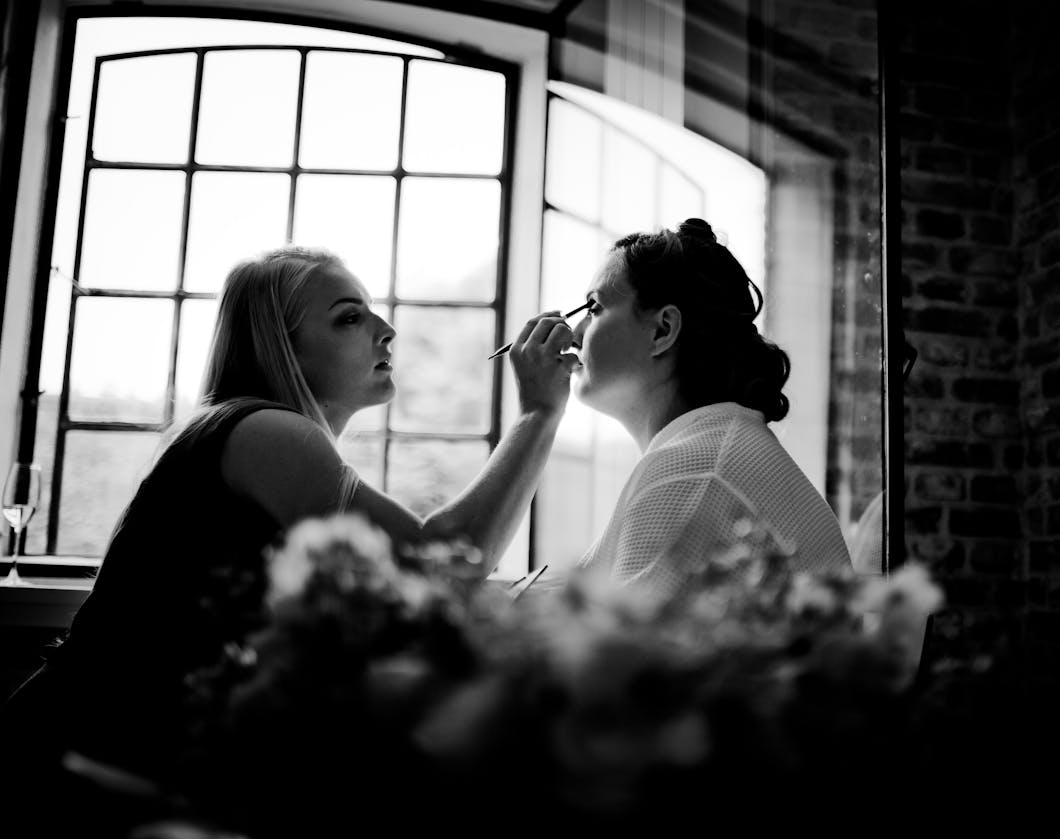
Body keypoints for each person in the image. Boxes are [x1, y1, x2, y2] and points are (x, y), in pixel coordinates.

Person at [0, 246, 578, 789]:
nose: (387, 330)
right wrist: (539, 412)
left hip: (121, 751)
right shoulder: (266, 430)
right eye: (350, 318)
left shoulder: (249, 432)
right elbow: (442, 562)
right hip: (76, 759)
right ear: (282, 346)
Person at [558, 218, 854, 597]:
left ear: (662, 330)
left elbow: (615, 652)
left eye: (593, 307)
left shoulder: (694, 472)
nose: (575, 332)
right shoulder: (714, 450)